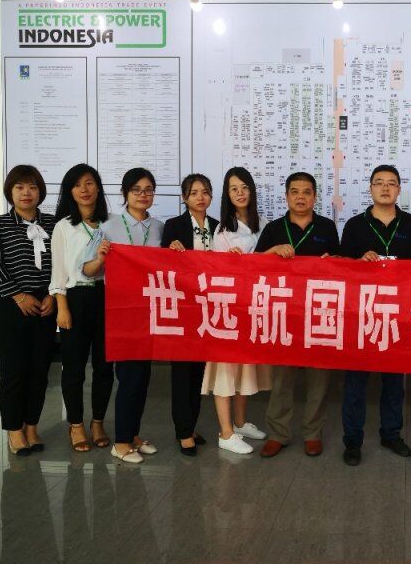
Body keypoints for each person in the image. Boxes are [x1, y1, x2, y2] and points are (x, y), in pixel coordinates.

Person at [338, 165, 411, 466]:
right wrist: (358, 261)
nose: (385, 188)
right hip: (361, 313)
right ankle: (352, 440)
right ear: (371, 188)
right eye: (379, 183)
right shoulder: (355, 225)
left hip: (398, 314)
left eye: (391, 183)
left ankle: (391, 434)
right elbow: (341, 267)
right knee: (355, 382)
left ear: (399, 189)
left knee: (394, 381)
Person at [255, 172, 340, 458]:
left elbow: (341, 265)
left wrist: (333, 261)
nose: (300, 197)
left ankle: (313, 433)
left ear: (314, 197)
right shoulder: (274, 228)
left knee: (319, 378)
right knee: (282, 378)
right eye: (295, 192)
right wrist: (272, 251)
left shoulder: (327, 227)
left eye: (306, 192)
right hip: (285, 313)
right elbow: (254, 266)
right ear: (287, 196)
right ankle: (278, 433)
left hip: (318, 312)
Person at [84, 167, 164, 464]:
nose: (143, 195)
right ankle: (120, 442)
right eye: (136, 190)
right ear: (125, 193)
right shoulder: (108, 225)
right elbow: (87, 270)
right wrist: (101, 258)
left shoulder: (159, 227)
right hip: (121, 311)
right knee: (129, 377)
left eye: (148, 190)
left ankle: (132, 434)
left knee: (143, 377)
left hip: (149, 311)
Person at [0, 165, 56, 455]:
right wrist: (18, 295)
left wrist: (53, 294)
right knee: (14, 371)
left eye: (33, 187)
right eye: (20, 187)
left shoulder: (53, 224)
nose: (26, 193)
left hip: (45, 304)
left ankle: (32, 427)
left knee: (39, 371)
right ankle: (15, 431)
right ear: (10, 192)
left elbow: (61, 263)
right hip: (9, 305)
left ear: (40, 192)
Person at [200, 167, 271, 455]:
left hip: (254, 308)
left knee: (245, 369)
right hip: (228, 308)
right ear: (227, 195)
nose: (240, 193)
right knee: (225, 371)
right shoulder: (222, 231)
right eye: (234, 189)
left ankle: (240, 423)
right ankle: (225, 432)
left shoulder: (264, 224)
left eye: (244, 187)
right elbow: (224, 271)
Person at [50, 164, 113, 452]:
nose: (84, 190)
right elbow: (58, 272)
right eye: (77, 185)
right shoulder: (64, 226)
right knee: (73, 368)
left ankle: (98, 422)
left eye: (89, 183)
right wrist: (62, 308)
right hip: (75, 299)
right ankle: (76, 425)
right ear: (70, 192)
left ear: (98, 187)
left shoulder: (111, 224)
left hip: (107, 298)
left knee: (104, 366)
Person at [161, 173, 219, 455]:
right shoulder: (174, 226)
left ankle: (191, 425)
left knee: (198, 372)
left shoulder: (219, 227)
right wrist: (170, 250)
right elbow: (162, 264)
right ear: (184, 198)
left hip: (209, 308)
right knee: (182, 372)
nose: (200, 197)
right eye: (194, 193)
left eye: (205, 192)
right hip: (183, 308)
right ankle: (183, 431)